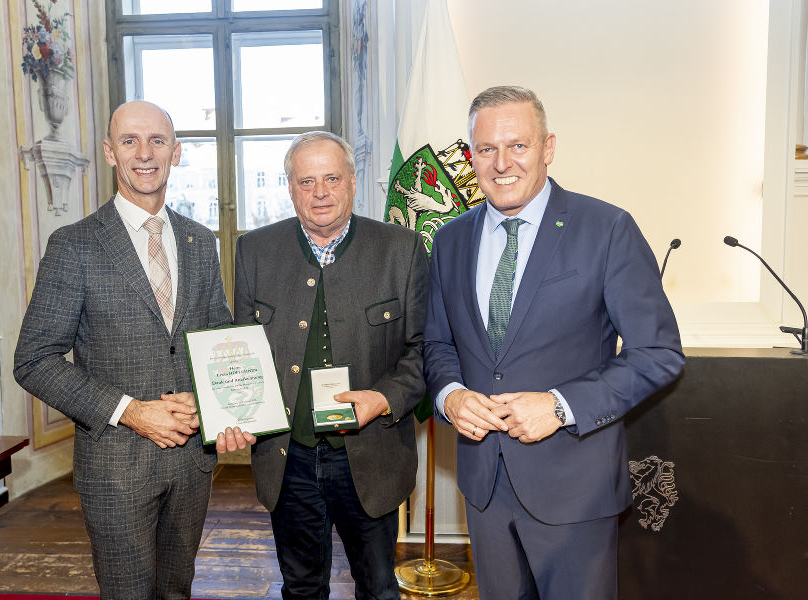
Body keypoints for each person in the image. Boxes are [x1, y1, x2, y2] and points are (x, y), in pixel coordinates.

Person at [423, 86, 684, 599]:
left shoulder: (607, 228)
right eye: (486, 149)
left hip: (575, 488)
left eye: (518, 146)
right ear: (471, 155)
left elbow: (658, 354)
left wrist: (561, 406)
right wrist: (450, 396)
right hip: (483, 487)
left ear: (548, 147)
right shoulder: (450, 239)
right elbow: (438, 344)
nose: (501, 164)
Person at [14, 100, 233, 599]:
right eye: (130, 141)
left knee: (177, 590)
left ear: (176, 152)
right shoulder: (74, 245)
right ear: (110, 152)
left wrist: (209, 400)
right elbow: (34, 360)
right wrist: (131, 411)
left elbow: (217, 339)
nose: (145, 153)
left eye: (157, 141)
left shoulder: (200, 241)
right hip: (116, 467)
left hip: (192, 464)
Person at [227, 131, 428, 600]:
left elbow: (425, 351)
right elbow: (240, 351)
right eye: (306, 181)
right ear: (290, 188)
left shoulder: (401, 250)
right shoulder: (255, 250)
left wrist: (382, 399)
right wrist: (234, 412)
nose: (320, 192)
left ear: (352, 182)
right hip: (287, 459)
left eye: (332, 179)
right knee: (300, 587)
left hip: (372, 456)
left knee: (378, 588)